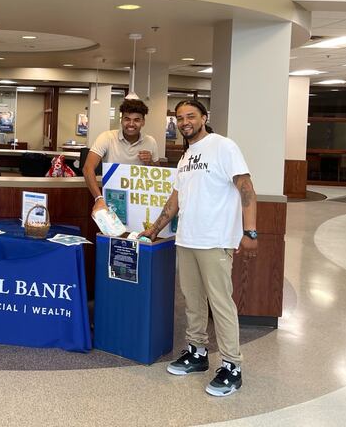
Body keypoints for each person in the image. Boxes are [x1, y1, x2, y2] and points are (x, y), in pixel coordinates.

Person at [139, 99, 258, 397]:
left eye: (190, 116)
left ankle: (232, 366)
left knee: (220, 304)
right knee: (192, 300)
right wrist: (154, 229)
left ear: (204, 117)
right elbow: (176, 199)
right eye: (179, 118)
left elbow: (246, 187)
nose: (184, 121)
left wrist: (250, 231)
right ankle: (197, 352)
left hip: (215, 239)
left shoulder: (223, 146)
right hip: (188, 239)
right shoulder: (186, 156)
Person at [84, 98, 160, 215]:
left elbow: (158, 174)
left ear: (143, 122)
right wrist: (98, 198)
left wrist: (150, 162)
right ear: (121, 120)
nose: (131, 124)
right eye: (127, 119)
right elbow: (88, 168)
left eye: (136, 120)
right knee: (112, 232)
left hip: (140, 201)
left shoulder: (150, 142)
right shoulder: (107, 137)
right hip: (112, 199)